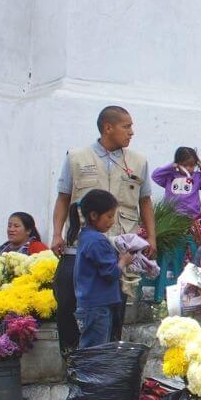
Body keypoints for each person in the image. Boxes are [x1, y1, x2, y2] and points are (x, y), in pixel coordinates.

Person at [51, 105, 155, 352]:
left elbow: (145, 201)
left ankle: (105, 361)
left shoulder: (138, 161)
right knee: (68, 304)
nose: (131, 132)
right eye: (126, 126)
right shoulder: (76, 158)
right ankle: (72, 360)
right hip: (80, 246)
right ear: (108, 128)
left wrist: (152, 237)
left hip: (118, 248)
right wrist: (56, 234)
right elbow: (63, 197)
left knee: (113, 311)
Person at [70, 189, 133, 349]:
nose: (112, 221)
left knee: (91, 348)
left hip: (89, 305)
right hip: (98, 306)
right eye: (109, 216)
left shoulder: (86, 236)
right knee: (95, 351)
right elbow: (111, 273)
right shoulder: (97, 241)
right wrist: (123, 261)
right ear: (93, 215)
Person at [152, 147, 201, 218]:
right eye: (184, 165)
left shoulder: (197, 177)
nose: (188, 168)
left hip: (192, 216)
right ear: (177, 164)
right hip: (171, 216)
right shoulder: (170, 176)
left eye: (191, 165)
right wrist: (170, 166)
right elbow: (155, 176)